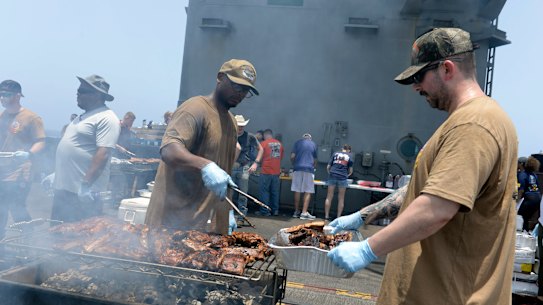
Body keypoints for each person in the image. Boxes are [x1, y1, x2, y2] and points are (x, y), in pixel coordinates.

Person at [327, 28, 518, 305]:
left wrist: (369, 249)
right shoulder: (475, 119)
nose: (416, 87)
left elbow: (437, 208)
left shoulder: (473, 125)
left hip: (448, 295)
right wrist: (362, 216)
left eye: (419, 77)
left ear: (447, 69)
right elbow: (430, 189)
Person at [144, 59, 259, 235]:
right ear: (220, 77)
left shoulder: (231, 123)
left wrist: (227, 211)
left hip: (200, 226)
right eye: (237, 86)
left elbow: (224, 174)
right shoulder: (195, 109)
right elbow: (169, 150)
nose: (241, 94)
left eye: (246, 90)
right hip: (169, 224)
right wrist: (205, 166)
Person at [52, 75, 121, 223]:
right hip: (64, 190)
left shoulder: (107, 118)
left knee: (79, 239)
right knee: (56, 234)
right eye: (78, 90)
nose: (77, 93)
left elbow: (103, 153)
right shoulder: (82, 117)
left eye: (82, 91)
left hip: (83, 194)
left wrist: (85, 185)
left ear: (97, 95)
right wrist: (56, 175)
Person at [0, 80, 46, 239]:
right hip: (2, 171)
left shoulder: (31, 117)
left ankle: (28, 241)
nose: (2, 98)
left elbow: (41, 141)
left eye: (6, 94)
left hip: (20, 172)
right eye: (1, 94)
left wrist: (28, 154)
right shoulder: (2, 115)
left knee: (16, 207)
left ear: (18, 96)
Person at [231, 114, 263, 222]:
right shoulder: (229, 135)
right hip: (231, 166)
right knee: (229, 192)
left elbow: (261, 149)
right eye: (238, 125)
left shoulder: (250, 136)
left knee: (243, 194)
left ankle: (241, 217)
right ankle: (228, 216)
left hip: (244, 167)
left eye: (242, 126)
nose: (240, 128)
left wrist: (255, 163)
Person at [257, 129, 284, 216]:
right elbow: (280, 157)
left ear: (265, 135)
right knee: (274, 192)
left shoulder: (263, 143)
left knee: (264, 191)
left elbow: (259, 157)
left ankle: (265, 211)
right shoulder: (280, 144)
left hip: (265, 171)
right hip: (276, 172)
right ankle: (275, 210)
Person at [290, 133, 317, 219]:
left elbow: (292, 156)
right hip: (309, 169)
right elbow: (315, 160)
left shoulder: (297, 143)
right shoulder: (314, 144)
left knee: (297, 190)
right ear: (310, 138)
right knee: (307, 191)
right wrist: (313, 167)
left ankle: (296, 211)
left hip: (297, 168)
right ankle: (304, 213)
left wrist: (294, 164)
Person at [324, 144, 353, 221]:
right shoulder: (350, 156)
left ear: (342, 149)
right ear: (349, 150)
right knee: (341, 198)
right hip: (342, 177)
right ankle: (338, 217)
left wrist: (330, 173)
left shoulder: (335, 154)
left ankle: (326, 216)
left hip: (332, 175)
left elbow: (328, 167)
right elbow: (350, 171)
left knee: (329, 196)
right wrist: (347, 175)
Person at [517, 156, 541, 231]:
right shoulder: (533, 175)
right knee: (526, 217)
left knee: (519, 213)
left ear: (521, 164)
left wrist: (517, 201)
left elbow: (521, 190)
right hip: (537, 198)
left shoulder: (522, 175)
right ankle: (526, 231)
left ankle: (522, 232)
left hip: (530, 199)